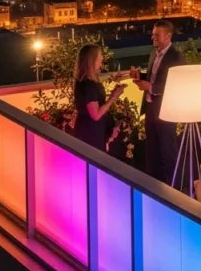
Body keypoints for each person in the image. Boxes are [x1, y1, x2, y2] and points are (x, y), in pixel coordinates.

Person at [129, 20, 184, 185]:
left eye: (156, 35)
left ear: (168, 36)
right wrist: (140, 76)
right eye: (153, 35)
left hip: (165, 110)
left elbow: (175, 83)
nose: (153, 38)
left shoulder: (176, 57)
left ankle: (173, 186)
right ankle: (154, 185)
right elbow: (155, 76)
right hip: (151, 107)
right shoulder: (154, 53)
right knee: (152, 148)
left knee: (168, 149)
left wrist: (150, 87)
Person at [73, 44, 125, 152]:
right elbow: (95, 115)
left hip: (88, 127)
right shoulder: (89, 84)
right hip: (91, 131)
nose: (101, 59)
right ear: (92, 60)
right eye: (99, 57)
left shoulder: (84, 81)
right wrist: (113, 97)